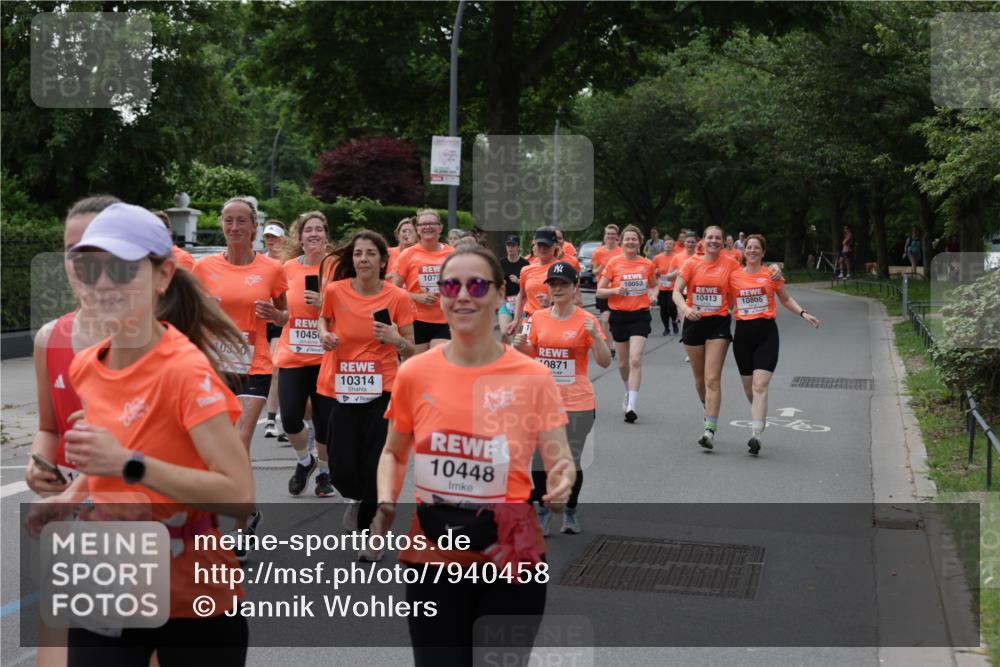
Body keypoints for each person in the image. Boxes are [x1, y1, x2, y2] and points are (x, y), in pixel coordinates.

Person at [26, 203, 253, 665]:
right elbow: (106, 457)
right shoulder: (88, 365)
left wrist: (128, 464)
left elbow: (239, 495)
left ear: (163, 275)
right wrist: (68, 499)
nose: (103, 284)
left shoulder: (186, 372)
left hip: (191, 596)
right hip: (109, 584)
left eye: (123, 269)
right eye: (91, 268)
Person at [374, 245, 575, 667]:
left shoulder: (532, 377)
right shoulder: (415, 372)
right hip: (433, 557)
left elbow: (558, 456)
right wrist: (385, 500)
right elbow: (393, 451)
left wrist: (560, 480)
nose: (462, 294)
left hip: (510, 559)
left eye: (477, 284)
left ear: (501, 294)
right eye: (451, 284)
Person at [25, 195, 120, 667]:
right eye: (70, 250)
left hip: (139, 523)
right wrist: (37, 463)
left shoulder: (158, 341)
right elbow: (48, 427)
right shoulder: (49, 338)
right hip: (72, 526)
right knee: (59, 653)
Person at [192, 197, 287, 547]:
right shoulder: (203, 269)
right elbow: (192, 312)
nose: (234, 228)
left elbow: (285, 314)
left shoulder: (271, 270)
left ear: (253, 227)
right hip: (214, 366)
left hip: (254, 364)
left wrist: (276, 318)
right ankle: (245, 512)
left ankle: (236, 531)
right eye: (228, 221)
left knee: (239, 442)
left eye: (241, 221)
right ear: (222, 225)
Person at [317, 230, 415, 546]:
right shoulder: (335, 291)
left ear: (383, 260)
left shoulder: (397, 297)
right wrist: (324, 335)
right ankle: (355, 498)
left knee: (375, 463)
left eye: (371, 253)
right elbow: (323, 320)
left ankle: (369, 533)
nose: (363, 259)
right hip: (341, 387)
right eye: (358, 253)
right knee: (342, 469)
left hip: (384, 388)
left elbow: (411, 348)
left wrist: (396, 339)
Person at [513, 261, 610, 534]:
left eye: (563, 284)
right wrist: (521, 347)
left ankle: (570, 510)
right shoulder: (537, 319)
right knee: (539, 460)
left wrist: (598, 338)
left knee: (572, 460)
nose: (557, 289)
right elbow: (531, 357)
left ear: (574, 287)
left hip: (578, 401)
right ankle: (543, 510)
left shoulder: (586, 321)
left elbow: (603, 362)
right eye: (553, 284)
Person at [730, 234, 820, 454]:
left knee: (760, 385)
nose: (752, 251)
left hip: (766, 334)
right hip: (742, 335)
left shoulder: (771, 274)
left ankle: (756, 436)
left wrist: (803, 313)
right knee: (749, 387)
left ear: (763, 252)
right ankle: (759, 415)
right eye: (749, 247)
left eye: (756, 248)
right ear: (744, 252)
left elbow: (786, 299)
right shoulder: (733, 276)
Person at [274, 211, 336, 496]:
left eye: (319, 230)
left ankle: (324, 472)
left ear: (326, 235)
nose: (313, 234)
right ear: (299, 237)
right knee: (289, 418)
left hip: (326, 356)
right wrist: (275, 314)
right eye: (308, 230)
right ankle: (304, 460)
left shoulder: (337, 267)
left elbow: (354, 306)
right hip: (293, 355)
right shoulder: (287, 268)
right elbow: (283, 310)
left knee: (324, 423)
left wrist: (325, 303)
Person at [673, 226, 748, 449]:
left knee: (712, 377)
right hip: (694, 322)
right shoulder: (691, 263)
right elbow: (677, 292)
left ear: (724, 242)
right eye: (710, 237)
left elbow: (748, 280)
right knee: (699, 379)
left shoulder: (731, 264)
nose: (714, 241)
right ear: (703, 241)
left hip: (718, 324)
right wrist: (686, 310)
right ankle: (707, 407)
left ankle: (709, 430)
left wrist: (771, 271)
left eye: (718, 238)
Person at [595, 225, 656, 423]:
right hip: (619, 316)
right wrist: (614, 291)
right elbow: (599, 291)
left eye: (634, 239)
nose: (631, 242)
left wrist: (653, 295)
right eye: (627, 239)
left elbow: (655, 286)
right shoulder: (613, 263)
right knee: (622, 363)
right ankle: (627, 391)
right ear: (621, 242)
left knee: (635, 359)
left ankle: (632, 406)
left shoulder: (647, 264)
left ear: (640, 242)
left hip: (640, 315)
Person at [392, 209, 453, 353]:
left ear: (440, 228)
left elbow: (462, 285)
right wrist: (416, 297)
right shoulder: (408, 254)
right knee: (417, 367)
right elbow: (394, 290)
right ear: (417, 229)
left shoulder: (453, 254)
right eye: (423, 224)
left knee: (437, 360)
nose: (428, 227)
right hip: (414, 321)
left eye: (432, 223)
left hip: (444, 320)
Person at [506, 227, 560, 339]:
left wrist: (552, 302)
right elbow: (521, 295)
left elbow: (571, 298)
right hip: (530, 321)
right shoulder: (526, 270)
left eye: (547, 245)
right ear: (534, 246)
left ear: (555, 246)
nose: (543, 249)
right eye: (540, 245)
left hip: (553, 320)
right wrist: (516, 320)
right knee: (525, 353)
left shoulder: (560, 268)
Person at [262, 221, 289, 439]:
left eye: (275, 238)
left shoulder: (288, 263)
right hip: (261, 321)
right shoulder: (258, 260)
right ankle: (272, 418)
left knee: (275, 368)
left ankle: (273, 418)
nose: (271, 242)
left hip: (281, 320)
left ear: (283, 239)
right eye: (267, 238)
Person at [590, 225, 623, 351]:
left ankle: (619, 341)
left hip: (618, 291)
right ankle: (611, 346)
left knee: (616, 321)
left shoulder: (621, 251)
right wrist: (598, 270)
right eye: (608, 234)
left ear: (617, 236)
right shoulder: (598, 252)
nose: (610, 236)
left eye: (613, 234)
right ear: (604, 236)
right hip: (603, 290)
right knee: (604, 320)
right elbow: (594, 270)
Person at [498, 235, 530, 343]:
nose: (510, 248)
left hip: (520, 304)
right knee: (504, 333)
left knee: (518, 336)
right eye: (508, 245)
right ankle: (506, 356)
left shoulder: (525, 264)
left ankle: (516, 357)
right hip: (506, 302)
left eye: (513, 245)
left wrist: (518, 281)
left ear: (518, 247)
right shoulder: (501, 263)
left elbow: (530, 286)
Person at [652, 236, 678, 335]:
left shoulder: (676, 257)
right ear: (663, 245)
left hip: (673, 286)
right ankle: (666, 328)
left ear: (673, 246)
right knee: (663, 308)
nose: (668, 246)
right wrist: (656, 271)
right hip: (661, 286)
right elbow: (651, 270)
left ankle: (674, 322)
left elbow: (681, 269)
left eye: (670, 244)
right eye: (666, 244)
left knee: (671, 306)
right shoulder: (657, 257)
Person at [386, 216, 418, 280]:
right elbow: (376, 279)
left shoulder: (421, 254)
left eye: (410, 231)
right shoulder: (388, 253)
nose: (407, 234)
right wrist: (392, 274)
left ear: (416, 236)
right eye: (404, 231)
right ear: (397, 234)